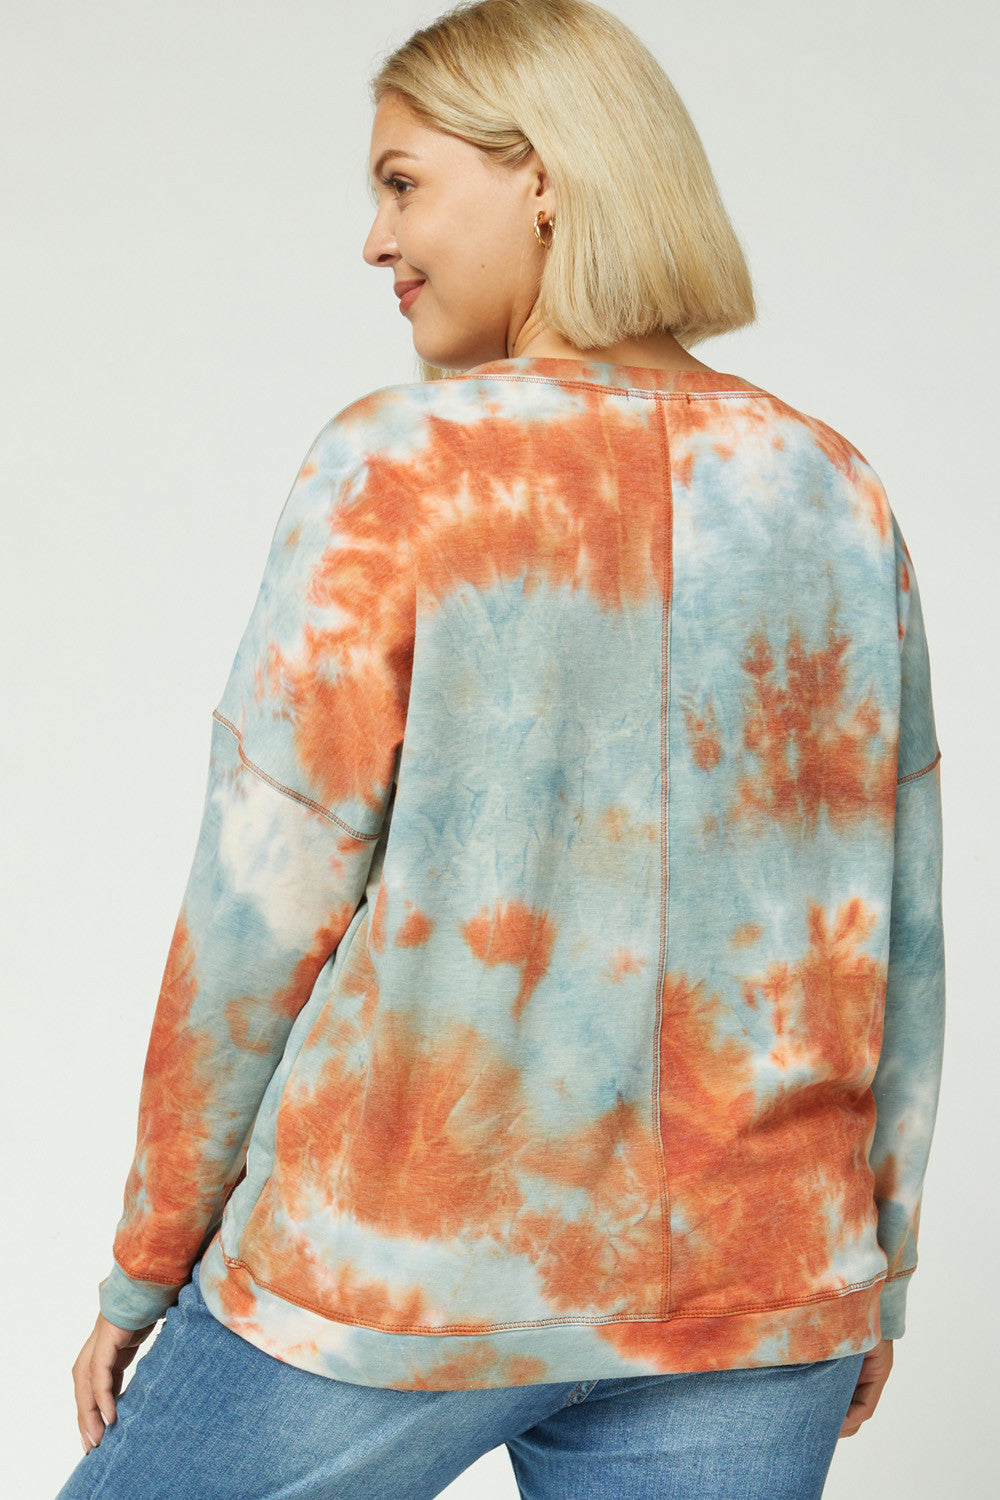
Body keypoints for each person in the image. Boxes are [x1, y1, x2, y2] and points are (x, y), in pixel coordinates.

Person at [58, 2, 945, 1497]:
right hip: (758, 1281)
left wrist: (149, 1257)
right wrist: (876, 1263)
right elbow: (894, 928)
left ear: (542, 175)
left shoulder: (400, 467)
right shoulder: (829, 487)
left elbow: (259, 903)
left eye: (403, 184)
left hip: (399, 1268)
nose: (375, 240)